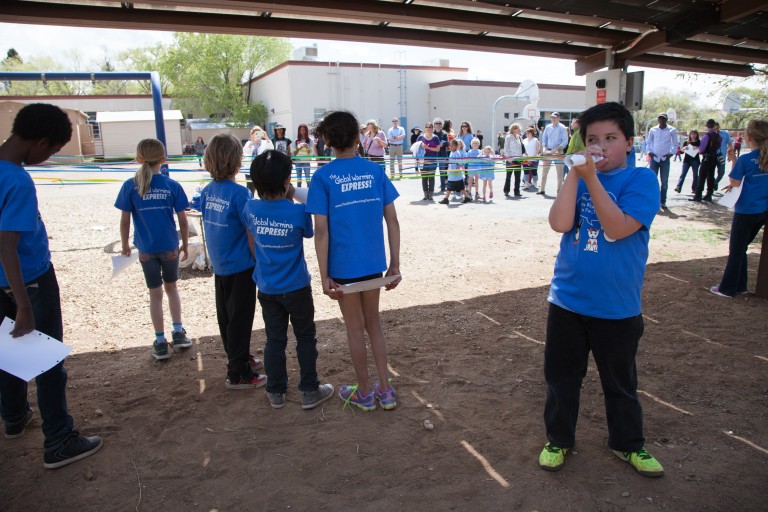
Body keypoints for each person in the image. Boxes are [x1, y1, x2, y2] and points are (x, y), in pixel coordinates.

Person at [540, 102, 664, 478]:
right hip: (567, 300)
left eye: (610, 138)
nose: (600, 146)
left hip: (617, 307)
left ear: (629, 142)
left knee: (620, 382)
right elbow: (560, 224)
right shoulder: (578, 178)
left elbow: (618, 227)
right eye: (592, 139)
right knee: (561, 379)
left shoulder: (641, 180)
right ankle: (558, 439)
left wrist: (591, 178)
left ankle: (628, 444)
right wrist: (574, 175)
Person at [0, 103, 103, 469]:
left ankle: (13, 416)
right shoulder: (17, 180)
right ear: (41, 142)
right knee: (48, 360)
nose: (49, 157)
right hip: (29, 281)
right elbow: (6, 244)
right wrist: (24, 304)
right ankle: (59, 439)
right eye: (53, 151)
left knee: (8, 351)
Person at [306, 111, 401, 411]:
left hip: (343, 268)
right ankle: (385, 390)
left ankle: (365, 393)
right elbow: (392, 221)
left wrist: (324, 275)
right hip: (373, 264)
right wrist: (395, 263)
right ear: (359, 138)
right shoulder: (374, 171)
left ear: (327, 141)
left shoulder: (322, 177)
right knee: (374, 324)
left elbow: (321, 231)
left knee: (354, 328)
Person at [243, 150, 334, 409]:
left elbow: (252, 242)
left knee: (274, 340)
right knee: (305, 337)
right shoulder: (298, 212)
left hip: (267, 286)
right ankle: (309, 390)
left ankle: (275, 390)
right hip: (297, 286)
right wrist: (292, 195)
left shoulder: (250, 208)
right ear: (286, 181)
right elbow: (309, 233)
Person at [115, 138, 192, 360]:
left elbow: (124, 221)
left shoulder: (130, 186)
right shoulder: (172, 185)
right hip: (169, 247)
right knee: (172, 288)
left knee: (155, 294)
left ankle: (160, 341)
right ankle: (178, 332)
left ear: (138, 159)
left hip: (146, 249)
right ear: (163, 159)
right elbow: (183, 221)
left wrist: (124, 245)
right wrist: (185, 244)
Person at [198, 134, 265, 389]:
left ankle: (239, 357)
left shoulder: (207, 191)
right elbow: (251, 233)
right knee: (240, 319)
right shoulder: (241, 194)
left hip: (221, 265)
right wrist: (260, 261)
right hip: (241, 266)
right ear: (236, 160)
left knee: (227, 316)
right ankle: (238, 373)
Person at [710, 120, 768, 298]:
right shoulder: (764, 158)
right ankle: (740, 285)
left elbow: (735, 181)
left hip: (745, 211)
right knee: (741, 248)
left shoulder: (745, 159)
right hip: (762, 210)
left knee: (736, 250)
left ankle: (727, 288)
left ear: (748, 138)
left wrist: (734, 160)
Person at [646, 113, 678, 209]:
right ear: (658, 119)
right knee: (652, 180)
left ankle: (662, 201)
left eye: (663, 118)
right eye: (660, 118)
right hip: (655, 158)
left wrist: (671, 153)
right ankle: (652, 200)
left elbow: (675, 144)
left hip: (664, 159)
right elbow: (648, 142)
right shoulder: (653, 130)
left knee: (664, 182)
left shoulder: (672, 130)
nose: (661, 120)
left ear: (666, 119)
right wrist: (649, 152)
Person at [691, 119, 721, 202]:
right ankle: (709, 195)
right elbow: (718, 146)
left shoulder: (706, 136)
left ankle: (698, 195)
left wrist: (698, 149)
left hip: (706, 158)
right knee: (711, 176)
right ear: (714, 126)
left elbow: (701, 149)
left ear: (707, 126)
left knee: (702, 177)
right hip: (714, 158)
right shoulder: (718, 136)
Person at [539, 112, 569, 196]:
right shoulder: (548, 127)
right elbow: (544, 138)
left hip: (558, 151)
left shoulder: (562, 127)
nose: (553, 119)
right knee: (544, 171)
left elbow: (565, 141)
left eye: (555, 117)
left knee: (559, 172)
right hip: (548, 151)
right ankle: (542, 189)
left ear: (558, 118)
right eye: (552, 117)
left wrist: (556, 148)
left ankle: (559, 191)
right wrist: (544, 147)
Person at [243, 126, 274, 195]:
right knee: (250, 187)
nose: (256, 135)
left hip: (261, 169)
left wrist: (266, 137)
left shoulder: (265, 142)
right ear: (251, 134)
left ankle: (263, 200)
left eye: (258, 133)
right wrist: (252, 142)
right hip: (249, 170)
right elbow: (245, 151)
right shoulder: (249, 143)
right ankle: (250, 200)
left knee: (262, 187)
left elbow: (271, 148)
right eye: (254, 133)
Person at [440, 139, 473, 204]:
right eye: (450, 146)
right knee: (458, 187)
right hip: (452, 173)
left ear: (456, 146)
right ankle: (467, 198)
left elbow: (459, 162)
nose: (450, 147)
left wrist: (456, 170)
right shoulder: (451, 152)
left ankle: (446, 199)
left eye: (452, 146)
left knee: (451, 186)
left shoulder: (457, 153)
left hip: (456, 173)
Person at [418, 121, 441, 201]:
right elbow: (415, 147)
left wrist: (428, 148)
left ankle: (430, 194)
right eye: (427, 127)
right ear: (425, 128)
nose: (428, 128)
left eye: (430, 127)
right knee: (424, 178)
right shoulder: (421, 137)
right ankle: (425, 194)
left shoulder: (435, 138)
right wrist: (421, 146)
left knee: (431, 177)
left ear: (432, 128)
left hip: (432, 160)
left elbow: (438, 149)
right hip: (422, 161)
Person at [503, 123, 525, 197]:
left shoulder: (519, 137)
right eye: (516, 128)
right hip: (511, 158)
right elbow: (506, 147)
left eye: (519, 128)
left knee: (518, 176)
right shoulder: (508, 137)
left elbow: (521, 148)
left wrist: (523, 156)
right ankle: (506, 190)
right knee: (508, 176)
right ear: (513, 129)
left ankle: (517, 191)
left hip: (518, 158)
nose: (518, 129)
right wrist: (508, 158)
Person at [522, 126, 542, 191]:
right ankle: (526, 184)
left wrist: (535, 155)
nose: (527, 134)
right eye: (526, 133)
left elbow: (538, 148)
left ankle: (535, 183)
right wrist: (524, 155)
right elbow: (523, 149)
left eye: (528, 133)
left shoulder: (535, 140)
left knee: (534, 171)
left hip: (534, 158)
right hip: (526, 158)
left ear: (532, 133)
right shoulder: (524, 140)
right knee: (526, 171)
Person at [714, 122, 734, 188]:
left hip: (722, 156)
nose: (716, 129)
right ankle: (712, 185)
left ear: (719, 127)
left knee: (721, 172)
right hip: (713, 156)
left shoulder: (725, 134)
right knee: (710, 173)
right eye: (715, 128)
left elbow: (730, 145)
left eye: (717, 128)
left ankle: (715, 182)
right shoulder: (711, 134)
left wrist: (730, 155)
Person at [293, 123, 313, 187]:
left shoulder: (310, 140)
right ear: (299, 131)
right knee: (299, 178)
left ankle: (309, 190)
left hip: (306, 161)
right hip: (298, 161)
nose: (302, 132)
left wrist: (307, 147)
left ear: (306, 131)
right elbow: (294, 154)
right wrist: (298, 148)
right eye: (301, 130)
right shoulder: (296, 141)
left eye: (304, 130)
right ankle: (298, 190)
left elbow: (311, 154)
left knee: (307, 178)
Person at [433, 118, 449, 193]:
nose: (438, 125)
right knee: (432, 171)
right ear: (434, 125)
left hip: (442, 155)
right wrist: (437, 145)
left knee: (442, 172)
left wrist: (443, 144)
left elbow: (447, 144)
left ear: (441, 125)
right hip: (434, 155)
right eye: (436, 123)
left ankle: (443, 187)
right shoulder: (432, 133)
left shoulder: (444, 134)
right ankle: (431, 188)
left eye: (440, 123)